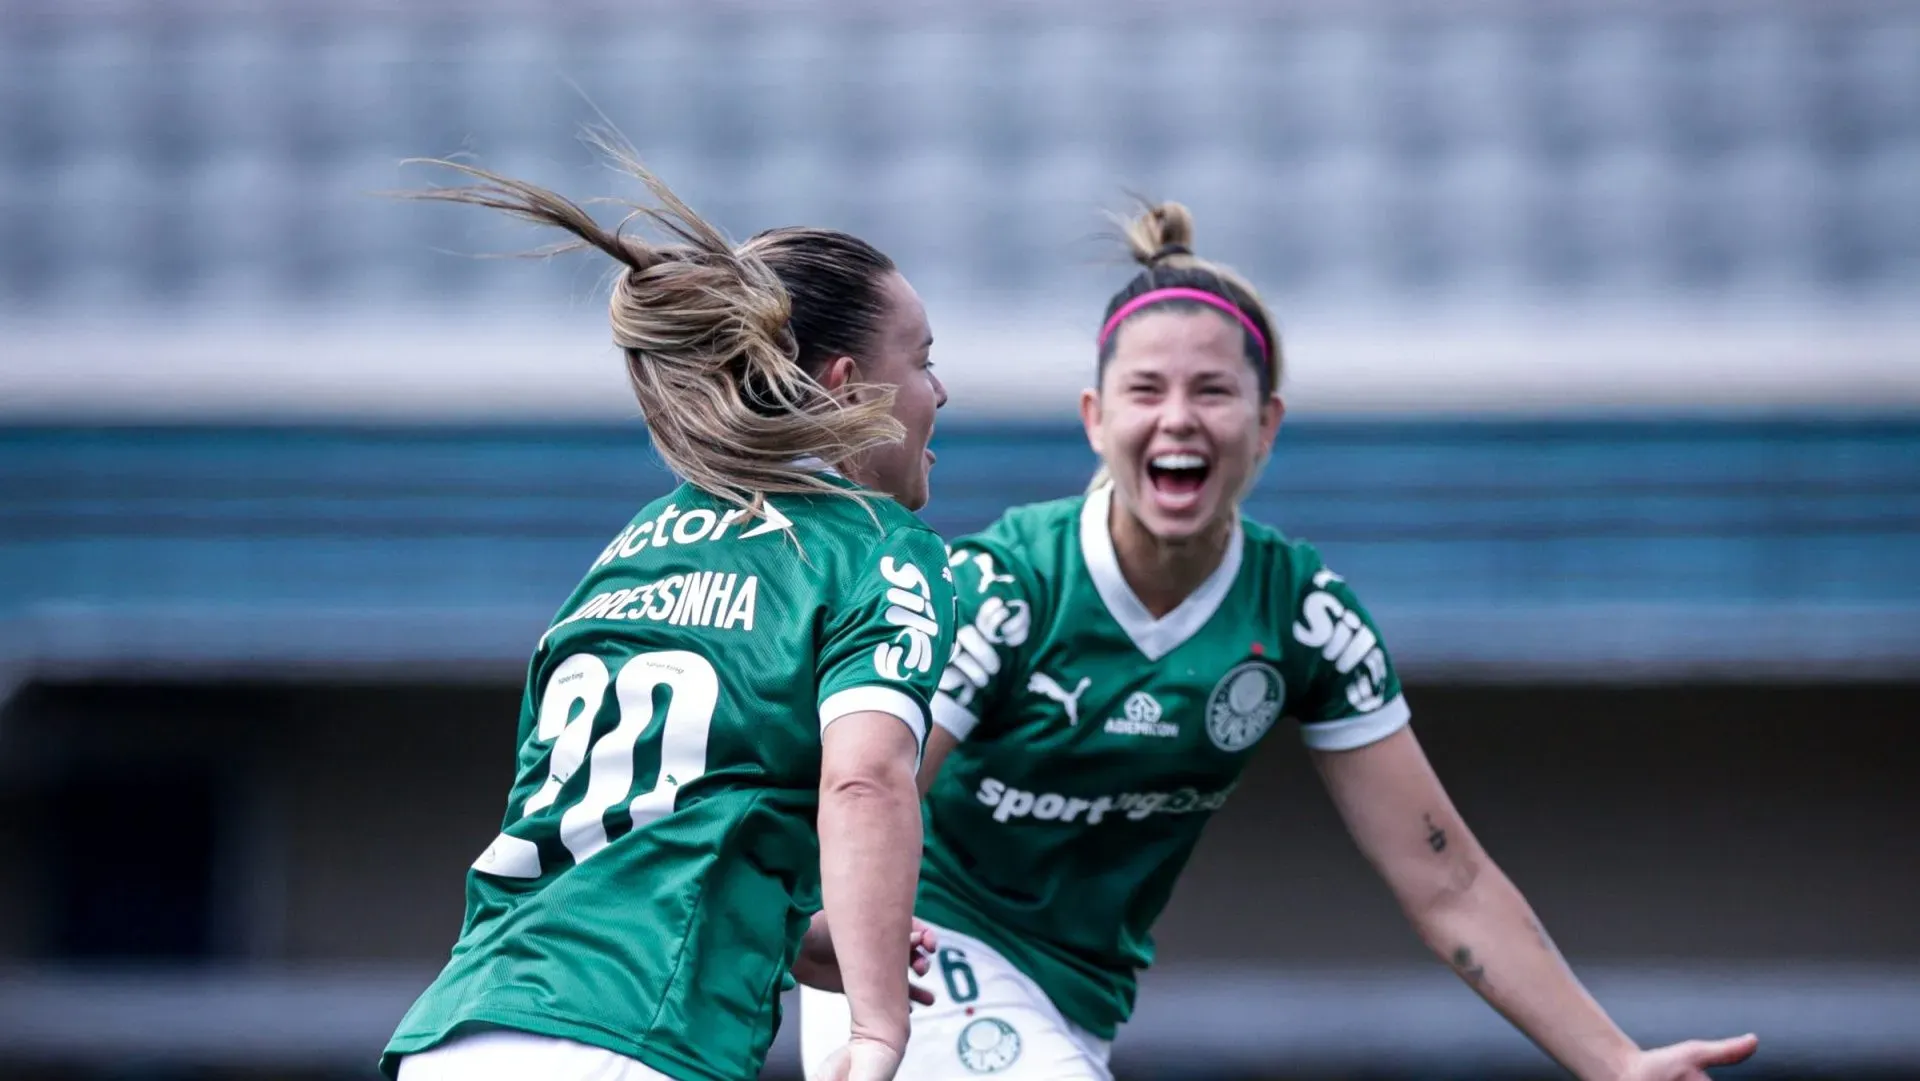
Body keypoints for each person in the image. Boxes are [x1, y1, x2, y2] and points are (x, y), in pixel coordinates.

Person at [799, 201, 1759, 1081]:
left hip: (1075, 1006)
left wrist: (1613, 1062)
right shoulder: (1007, 588)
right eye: (1146, 390)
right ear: (1097, 420)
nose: (1178, 418)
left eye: (1213, 392)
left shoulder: (1304, 618)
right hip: (916, 959)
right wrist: (831, 958)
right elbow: (869, 790)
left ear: (1266, 427)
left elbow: (1448, 879)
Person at [381, 141, 956, 1081]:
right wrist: (879, 1028)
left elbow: (628, 814)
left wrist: (782, 923)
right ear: (852, 386)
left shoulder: (630, 548)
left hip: (459, 1028)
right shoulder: (875, 548)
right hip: (632, 1035)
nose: (942, 389)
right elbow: (865, 782)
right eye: (925, 359)